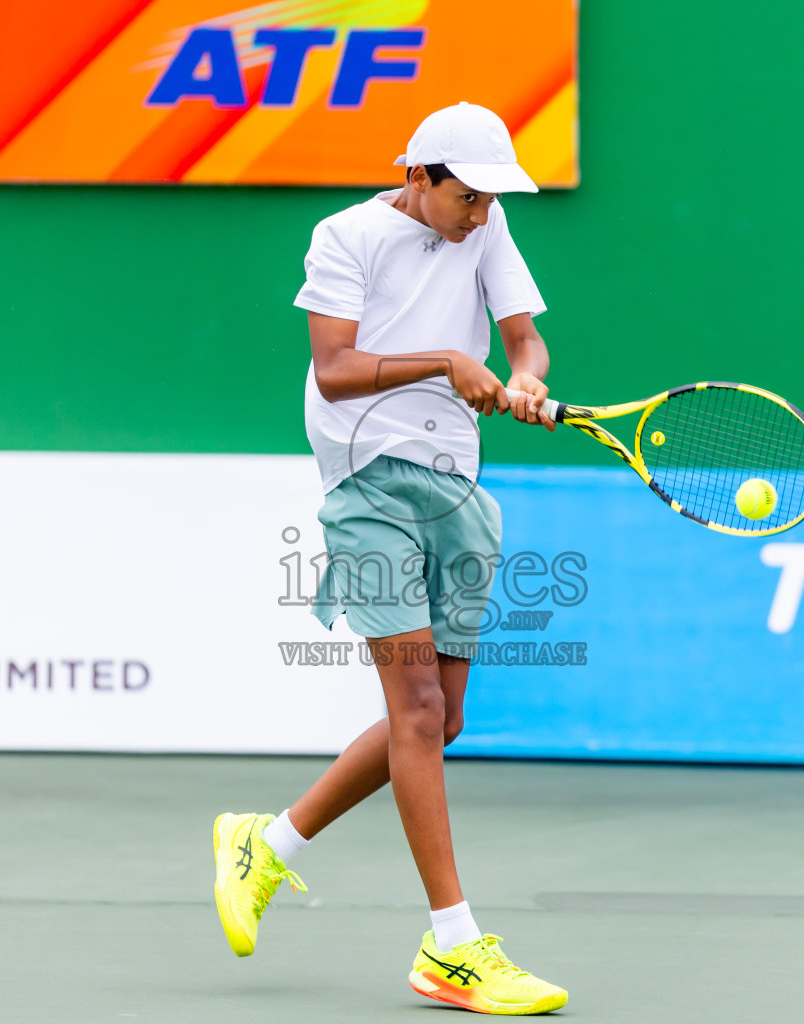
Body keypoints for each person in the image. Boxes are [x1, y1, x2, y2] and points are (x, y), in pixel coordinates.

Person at [212, 102, 567, 1016]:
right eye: (468, 196)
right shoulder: (345, 236)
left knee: (439, 720)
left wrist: (525, 375)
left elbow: (524, 332)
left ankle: (270, 843)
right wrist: (447, 360)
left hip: (458, 493)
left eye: (491, 199)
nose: (480, 214)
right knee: (410, 705)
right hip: (367, 487)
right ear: (421, 175)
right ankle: (453, 944)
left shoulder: (487, 228)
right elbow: (332, 367)